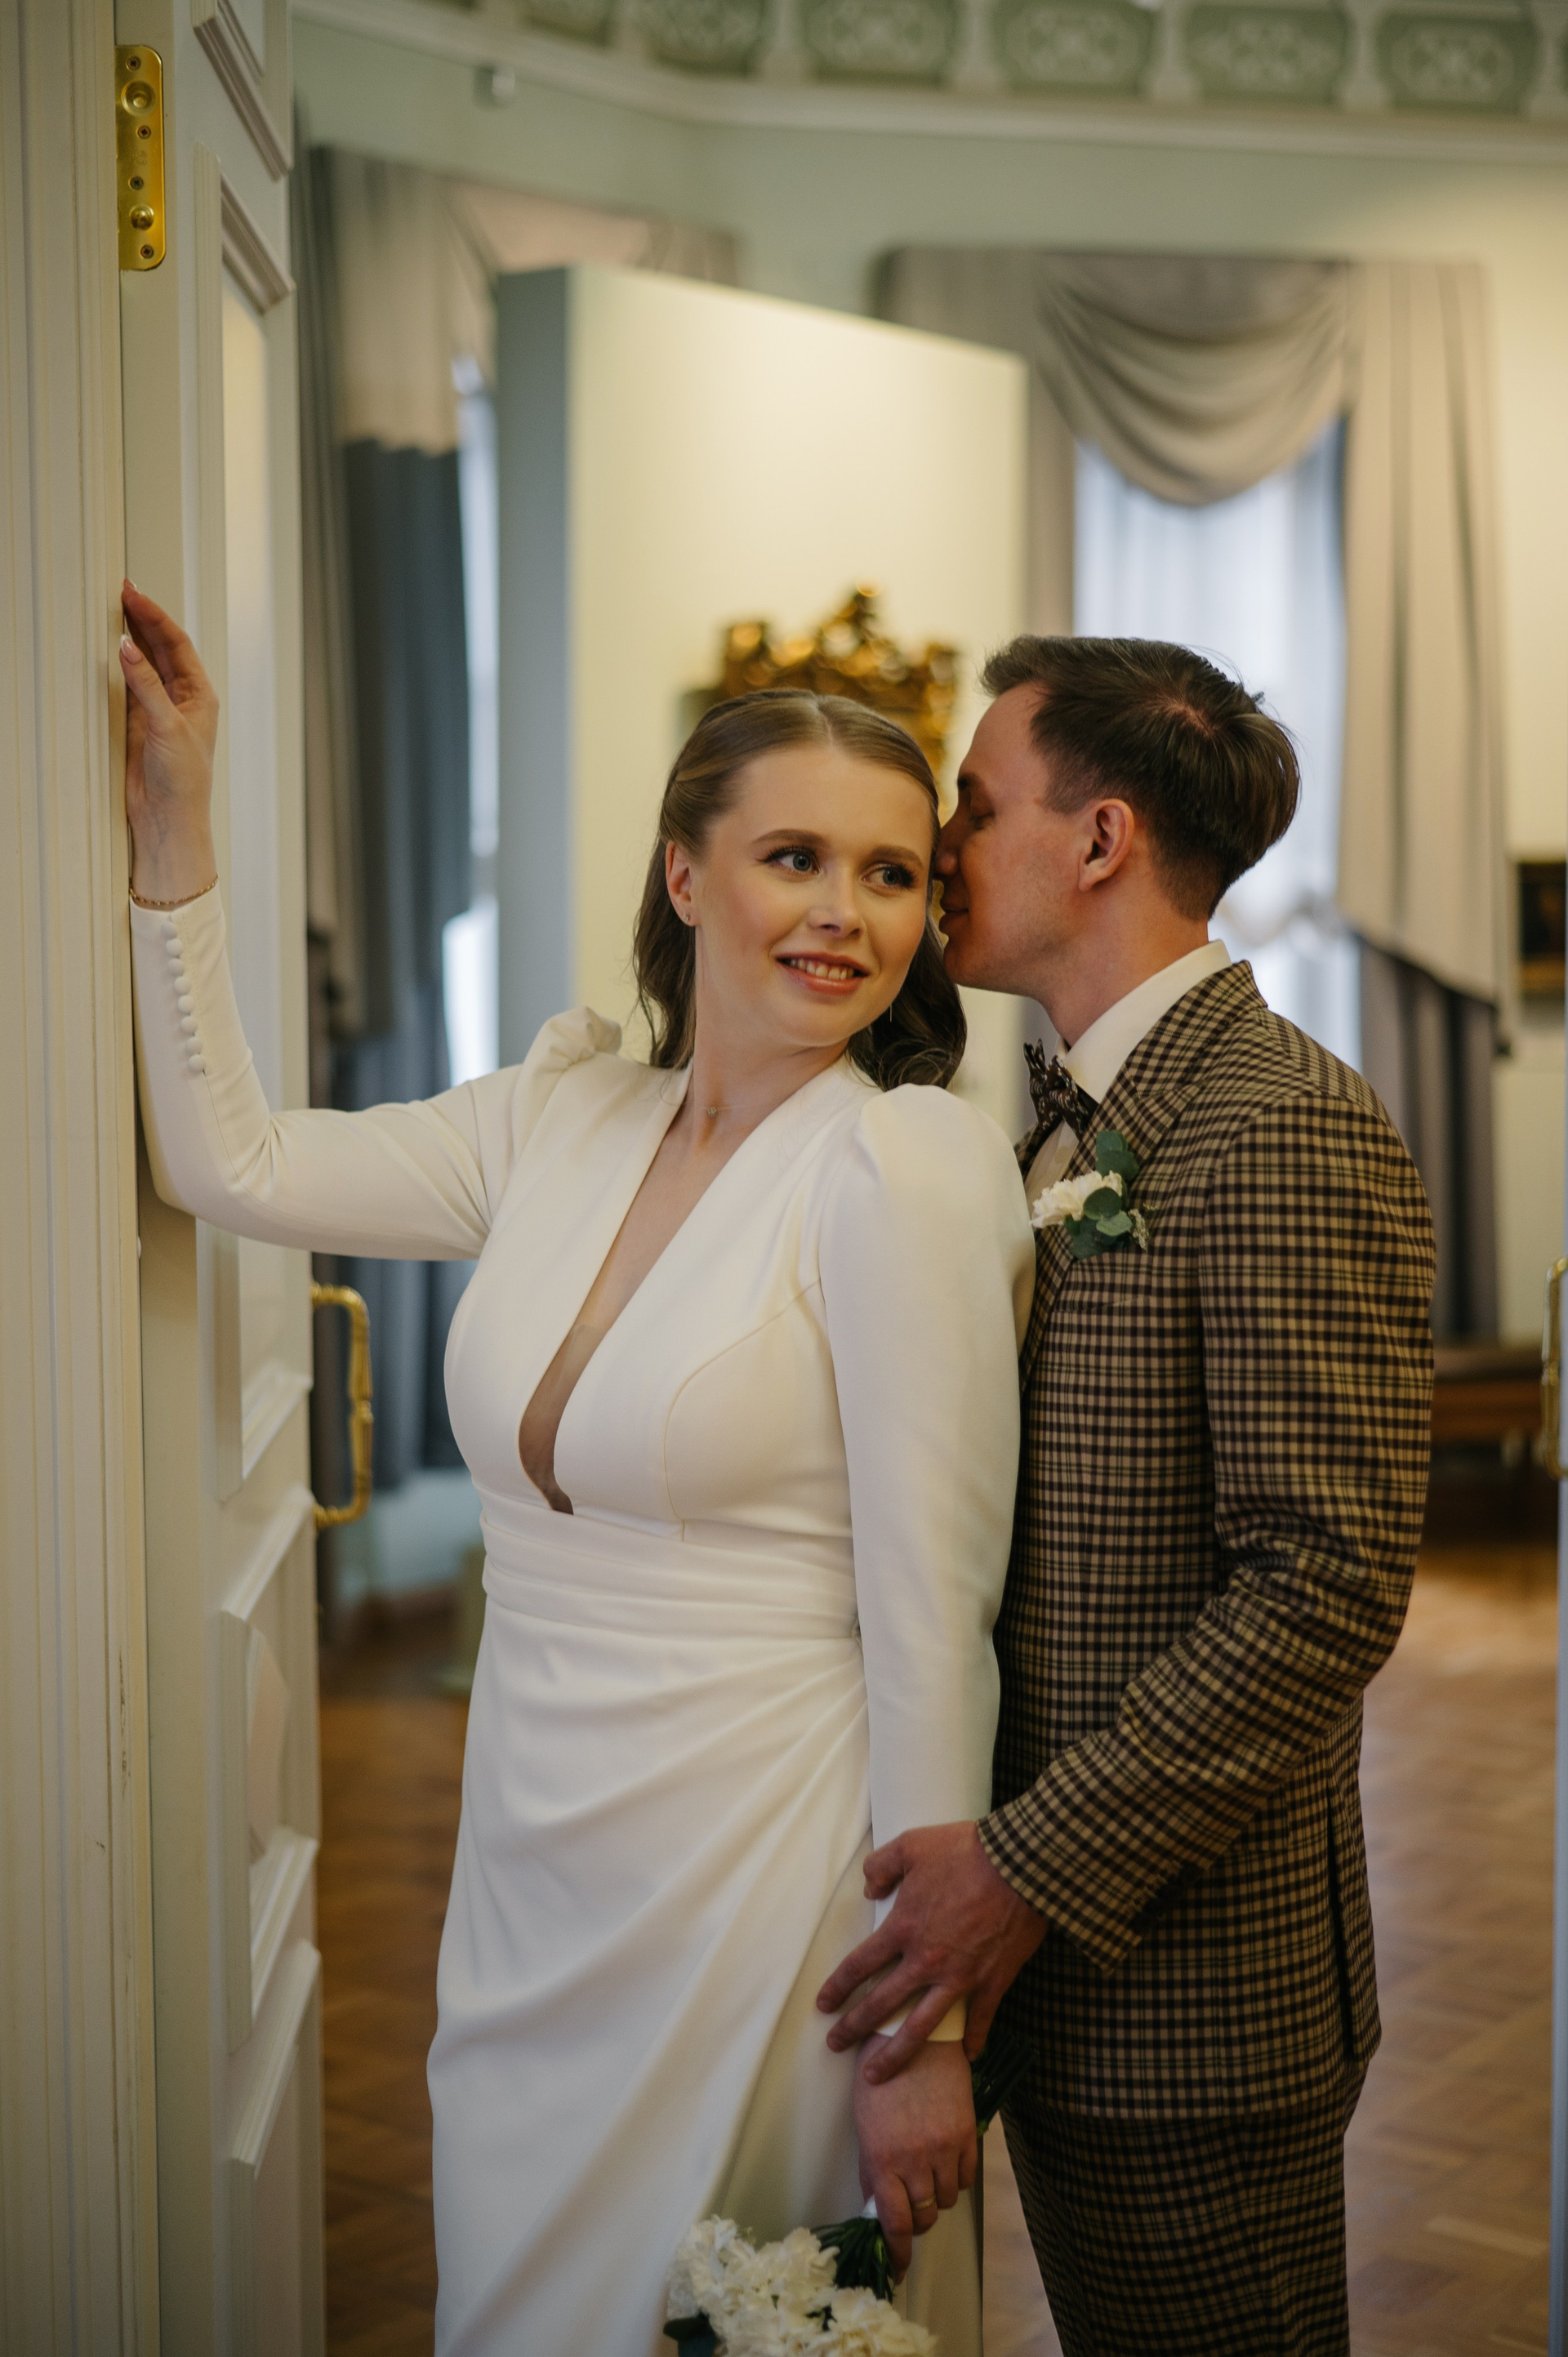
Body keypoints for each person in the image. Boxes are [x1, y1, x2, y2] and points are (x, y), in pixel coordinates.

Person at [118, 582, 1035, 2357]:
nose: (844, 913)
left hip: (764, 1868)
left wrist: (923, 2034)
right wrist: (176, 835)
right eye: (793, 858)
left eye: (892, 874)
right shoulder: (560, 1115)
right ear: (686, 875)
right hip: (532, 1856)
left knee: (724, 2303)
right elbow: (230, 1162)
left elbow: (941, 1624)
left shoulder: (902, 1170)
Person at [818, 635, 1437, 2355]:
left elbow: (1322, 1589)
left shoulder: (1282, 1123)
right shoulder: (1042, 1112)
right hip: (1050, 1984)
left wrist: (1019, 1871)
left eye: (975, 804)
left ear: (1098, 840)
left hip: (1191, 2002)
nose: (945, 843)